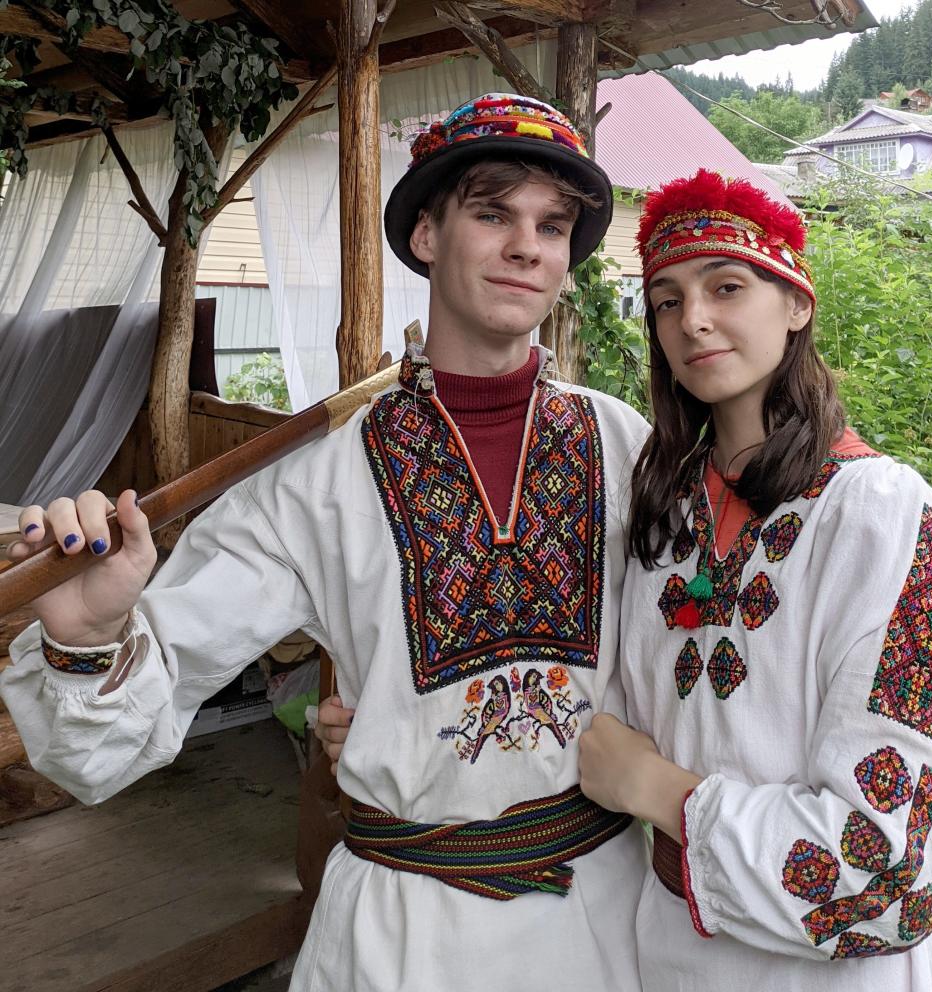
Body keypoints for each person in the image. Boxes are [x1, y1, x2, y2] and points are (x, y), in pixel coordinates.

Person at [1, 94, 651, 992]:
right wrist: (85, 635)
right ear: (425, 232)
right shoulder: (314, 480)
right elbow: (111, 734)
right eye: (492, 212)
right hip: (403, 936)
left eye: (553, 225)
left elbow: (708, 664)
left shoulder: (630, 450)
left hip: (607, 925)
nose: (526, 246)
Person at [572, 169, 932, 988]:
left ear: (796, 303)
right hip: (670, 954)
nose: (692, 319)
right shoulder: (659, 514)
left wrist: (669, 797)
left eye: (726, 286)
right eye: (665, 299)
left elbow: (902, 876)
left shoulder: (887, 519)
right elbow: (586, 709)